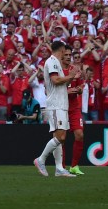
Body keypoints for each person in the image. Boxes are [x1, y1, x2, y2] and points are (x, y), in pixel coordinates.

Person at [34, 41, 79, 177]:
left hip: (62, 104)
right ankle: (40, 160)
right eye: (64, 52)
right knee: (61, 136)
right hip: (55, 104)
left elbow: (62, 83)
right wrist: (70, 76)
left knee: (60, 138)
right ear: (60, 50)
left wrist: (71, 77)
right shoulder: (52, 61)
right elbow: (55, 80)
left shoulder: (57, 63)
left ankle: (59, 168)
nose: (65, 54)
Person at [64, 48, 87, 175]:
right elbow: (56, 90)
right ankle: (61, 167)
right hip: (61, 108)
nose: (68, 57)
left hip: (74, 108)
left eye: (69, 55)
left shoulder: (75, 70)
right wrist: (70, 90)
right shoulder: (58, 70)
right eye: (66, 55)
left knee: (80, 135)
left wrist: (78, 89)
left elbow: (80, 88)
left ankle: (74, 166)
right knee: (61, 138)